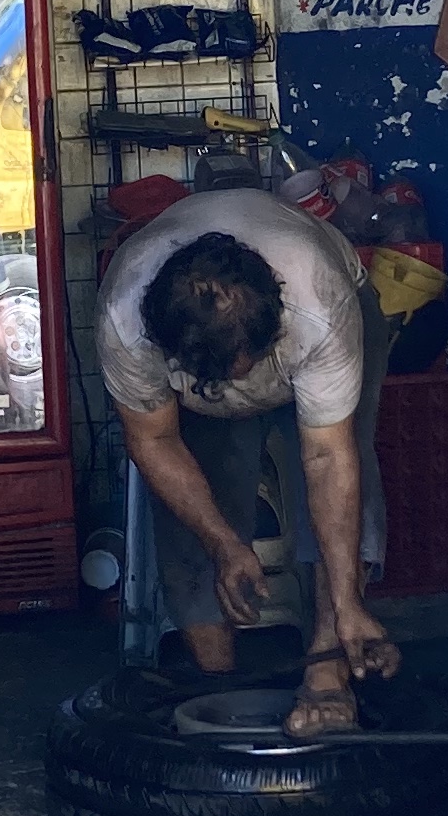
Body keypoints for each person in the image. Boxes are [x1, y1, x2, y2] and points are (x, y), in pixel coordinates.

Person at [96, 186, 394, 739]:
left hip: (327, 318)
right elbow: (155, 441)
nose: (240, 383)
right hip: (196, 365)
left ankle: (328, 670)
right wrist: (224, 544)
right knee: (192, 511)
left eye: (245, 367)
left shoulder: (318, 303)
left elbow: (328, 458)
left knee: (345, 482)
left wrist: (347, 603)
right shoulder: (125, 321)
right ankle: (220, 689)